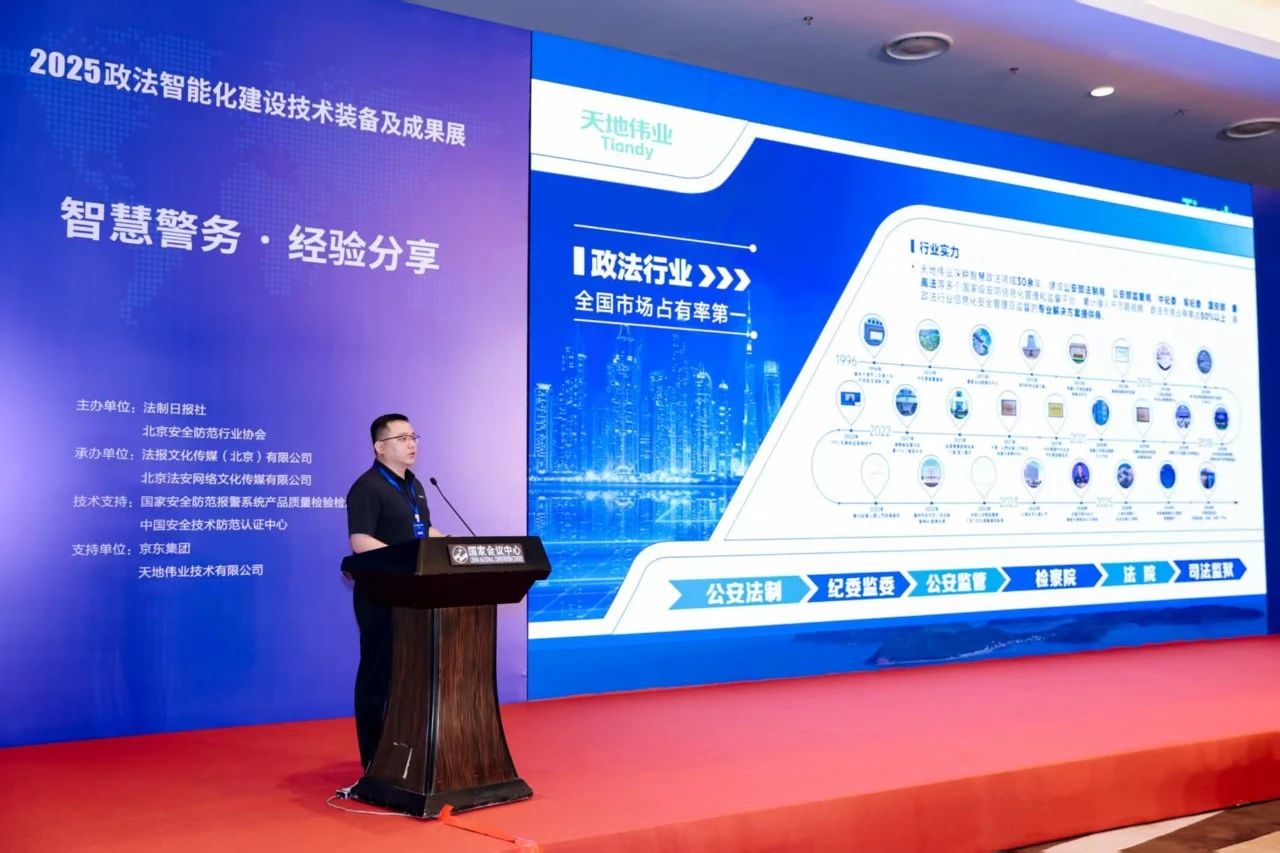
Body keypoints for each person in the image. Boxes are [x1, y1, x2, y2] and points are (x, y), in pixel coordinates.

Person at [345, 413, 445, 770]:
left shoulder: (416, 486)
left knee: (412, 675)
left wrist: (451, 545)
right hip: (381, 595)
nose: (411, 444)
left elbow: (422, 532)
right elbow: (360, 542)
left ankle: (406, 754)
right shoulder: (367, 486)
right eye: (402, 438)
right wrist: (405, 559)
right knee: (379, 675)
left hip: (415, 595)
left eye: (413, 436)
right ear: (380, 447)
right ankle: (375, 760)